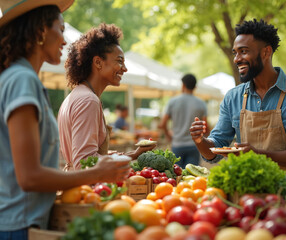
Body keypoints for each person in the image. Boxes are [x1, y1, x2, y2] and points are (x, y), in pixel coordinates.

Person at [0, 1, 130, 238]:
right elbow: (29, 176)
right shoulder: (22, 80)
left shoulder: (21, 78)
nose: (64, 40)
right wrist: (97, 173)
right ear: (40, 30)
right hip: (18, 225)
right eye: (60, 30)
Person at [189, 19, 286, 174]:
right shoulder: (233, 98)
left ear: (266, 52)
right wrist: (199, 140)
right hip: (244, 191)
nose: (237, 59)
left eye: (243, 51)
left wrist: (259, 155)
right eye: (235, 53)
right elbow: (214, 151)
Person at [58, 23, 155, 170]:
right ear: (98, 62)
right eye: (119, 61)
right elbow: (84, 161)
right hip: (87, 188)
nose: (125, 68)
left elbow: (87, 155)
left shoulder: (76, 95)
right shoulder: (88, 101)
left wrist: (132, 155)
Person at [159, 73, 208, 168]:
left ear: (183, 85)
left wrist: (168, 135)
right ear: (195, 87)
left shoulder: (173, 102)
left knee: (177, 176)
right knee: (192, 176)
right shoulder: (201, 103)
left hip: (177, 144)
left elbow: (163, 123)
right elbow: (206, 126)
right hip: (195, 145)